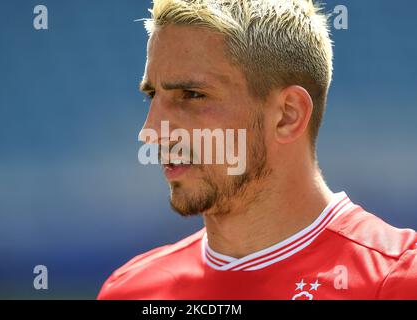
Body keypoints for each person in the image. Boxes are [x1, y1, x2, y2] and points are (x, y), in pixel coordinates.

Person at [98, 0, 417, 300]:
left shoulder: (397, 280)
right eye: (151, 94)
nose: (151, 131)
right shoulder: (130, 290)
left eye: (192, 95)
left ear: (287, 115)